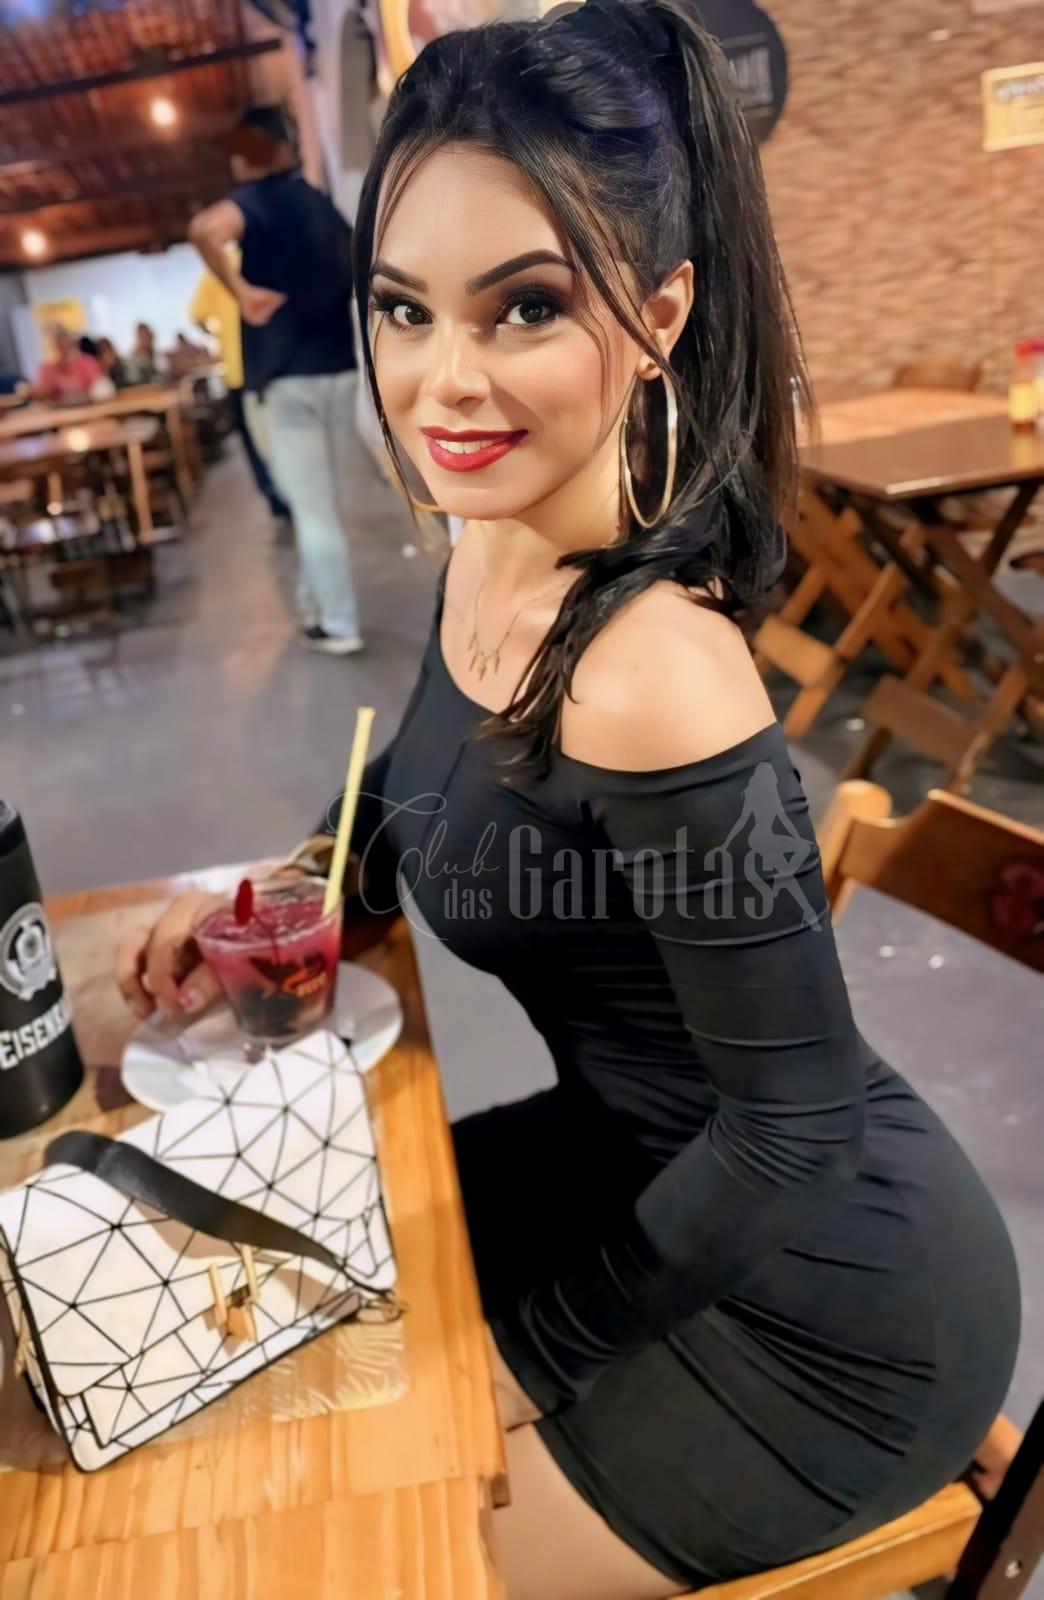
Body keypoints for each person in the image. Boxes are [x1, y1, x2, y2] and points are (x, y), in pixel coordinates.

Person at [115, 5, 1021, 1597]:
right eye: (403, 309)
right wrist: (283, 893)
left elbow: (798, 1128)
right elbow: (408, 787)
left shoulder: (654, 672)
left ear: (661, 310)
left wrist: (522, 1364)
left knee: (355, 1556)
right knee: (247, 1308)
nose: (441, 382)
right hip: (630, 1165)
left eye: (524, 307)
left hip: (814, 1306)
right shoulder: (490, 537)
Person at [187, 105, 365, 656]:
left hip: (286, 379)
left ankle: (339, 623)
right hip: (339, 372)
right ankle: (315, 606)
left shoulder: (257, 202)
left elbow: (203, 230)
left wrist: (240, 292)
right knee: (320, 503)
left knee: (311, 509)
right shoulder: (319, 204)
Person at [189, 253, 292, 525]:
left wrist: (220, 333)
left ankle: (275, 496)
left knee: (254, 442)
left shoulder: (214, 270)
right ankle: (293, 489)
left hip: (239, 370)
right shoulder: (265, 258)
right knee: (287, 431)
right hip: (275, 364)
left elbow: (196, 315)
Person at [34, 326, 103, 401]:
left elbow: (97, 389)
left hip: (87, 405)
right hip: (60, 406)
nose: (65, 350)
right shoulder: (48, 368)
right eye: (61, 346)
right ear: (57, 347)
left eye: (68, 345)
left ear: (74, 345)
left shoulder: (87, 363)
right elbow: (43, 393)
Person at [121, 322, 163, 386]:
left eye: (146, 335)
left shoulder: (157, 353)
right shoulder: (132, 357)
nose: (145, 338)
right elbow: (134, 379)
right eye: (142, 336)